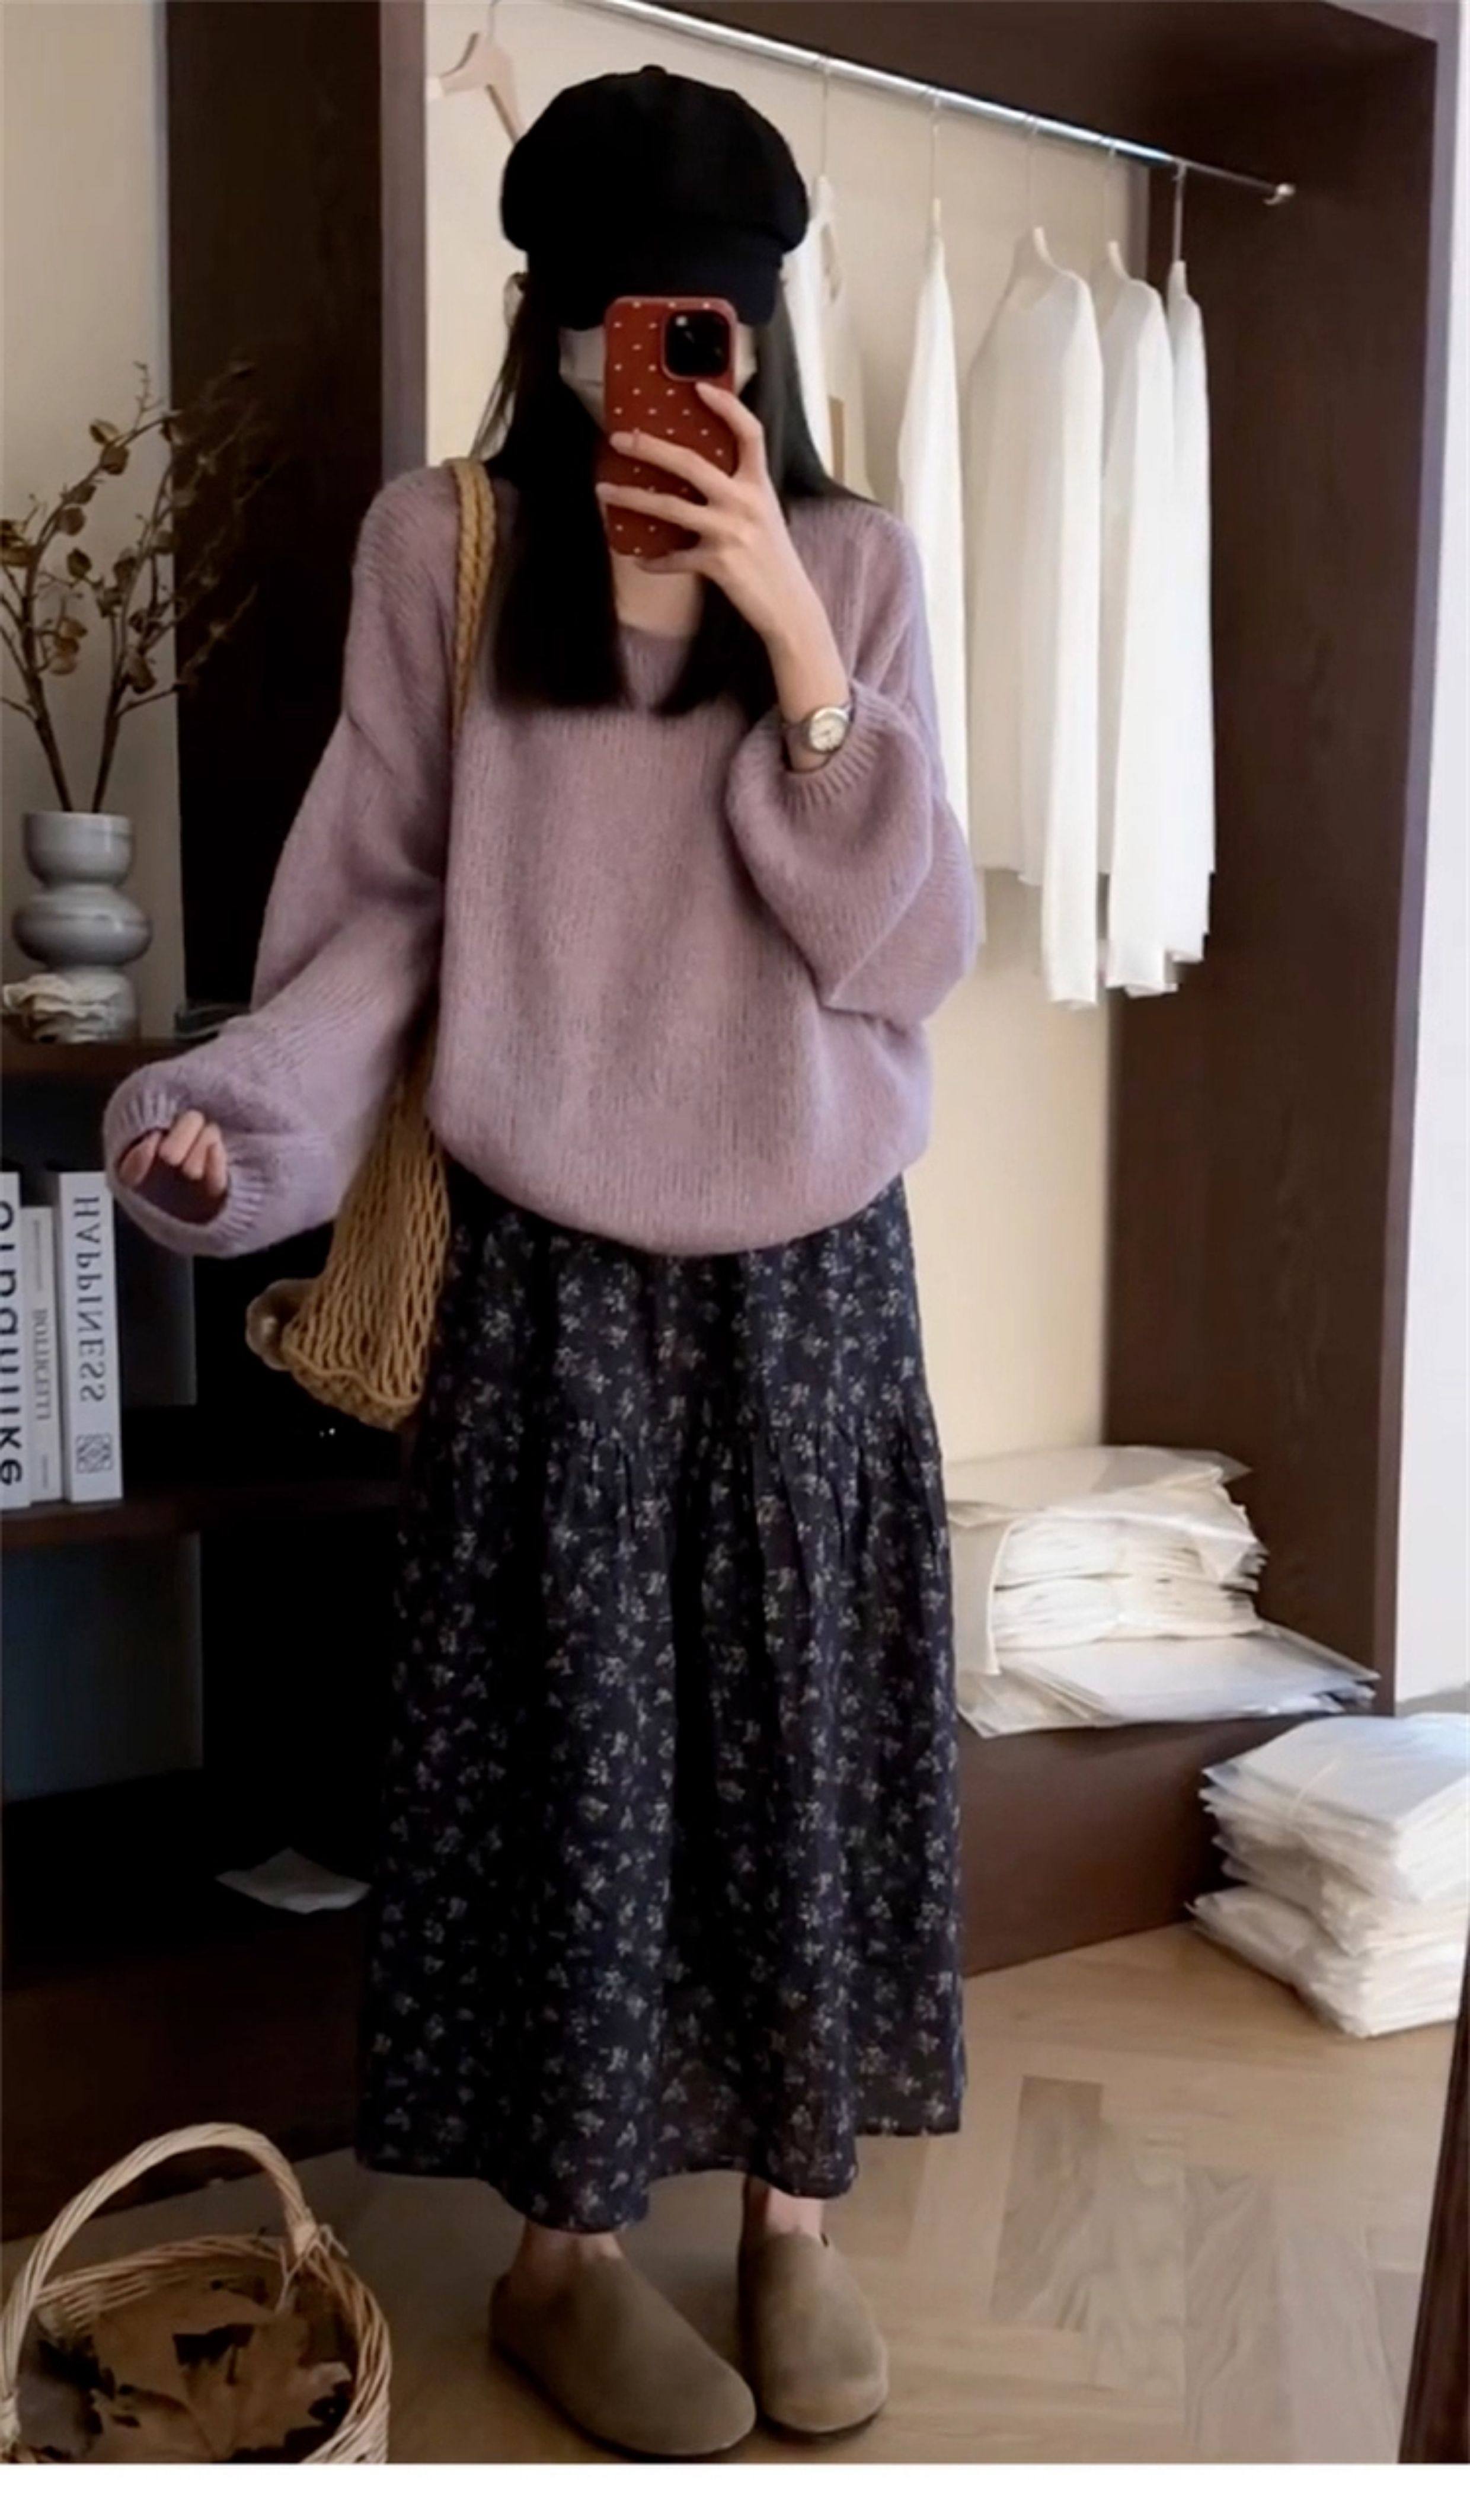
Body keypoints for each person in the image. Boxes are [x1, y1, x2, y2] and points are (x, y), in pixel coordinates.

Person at [101, 64, 979, 2462]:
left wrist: (794, 638)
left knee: (803, 1736)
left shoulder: (862, 563)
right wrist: (241, 1117)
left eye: (710, 325)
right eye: (622, 323)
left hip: (818, 1265)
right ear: (552, 321)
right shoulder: (449, 548)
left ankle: (795, 2220)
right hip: (554, 1262)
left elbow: (907, 956)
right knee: (573, 1749)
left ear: (762, 328)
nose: (665, 368)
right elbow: (380, 911)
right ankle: (561, 2256)